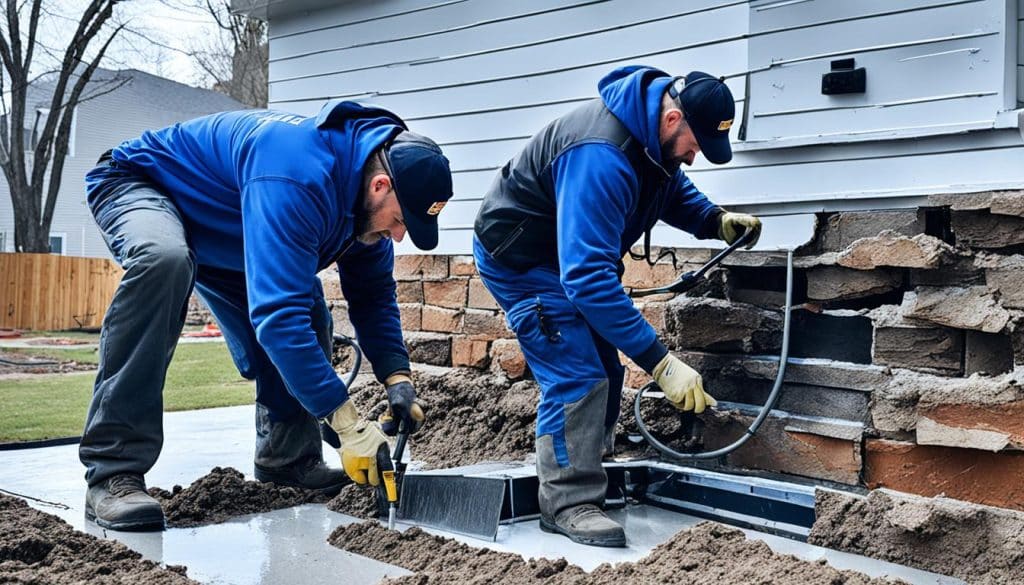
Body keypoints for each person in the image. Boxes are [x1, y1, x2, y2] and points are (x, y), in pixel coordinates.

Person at [80, 100, 452, 531]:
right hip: (141, 184)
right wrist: (347, 425)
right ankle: (112, 473)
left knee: (309, 307)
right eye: (401, 220)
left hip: (227, 229)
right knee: (165, 259)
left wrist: (398, 379)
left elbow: (373, 297)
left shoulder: (365, 205)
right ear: (380, 185)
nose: (400, 235)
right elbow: (278, 318)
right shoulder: (296, 173)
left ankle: (287, 458)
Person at [472, 65, 762, 547]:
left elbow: (667, 183)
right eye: (696, 145)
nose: (695, 157)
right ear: (672, 119)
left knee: (605, 363)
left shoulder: (650, 137)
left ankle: (590, 461)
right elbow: (586, 279)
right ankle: (567, 501)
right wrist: (662, 364)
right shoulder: (601, 155)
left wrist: (714, 220)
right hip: (522, 261)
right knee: (577, 372)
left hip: (566, 254)